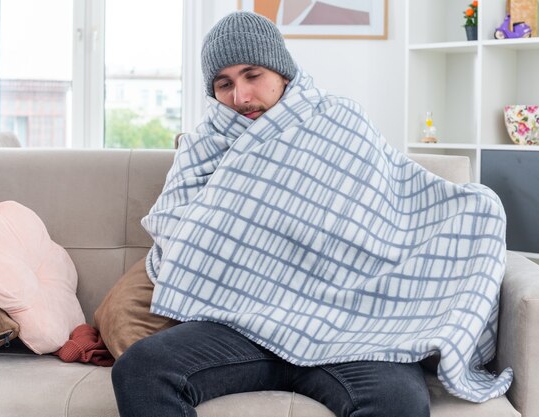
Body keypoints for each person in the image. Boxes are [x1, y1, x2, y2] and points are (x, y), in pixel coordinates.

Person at [112, 10, 511, 417]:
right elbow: (180, 234)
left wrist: (475, 209)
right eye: (224, 84)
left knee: (399, 402)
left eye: (253, 75)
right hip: (242, 323)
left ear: (283, 72)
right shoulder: (201, 149)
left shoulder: (340, 120)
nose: (241, 97)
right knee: (141, 370)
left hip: (355, 330)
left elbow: (395, 210)